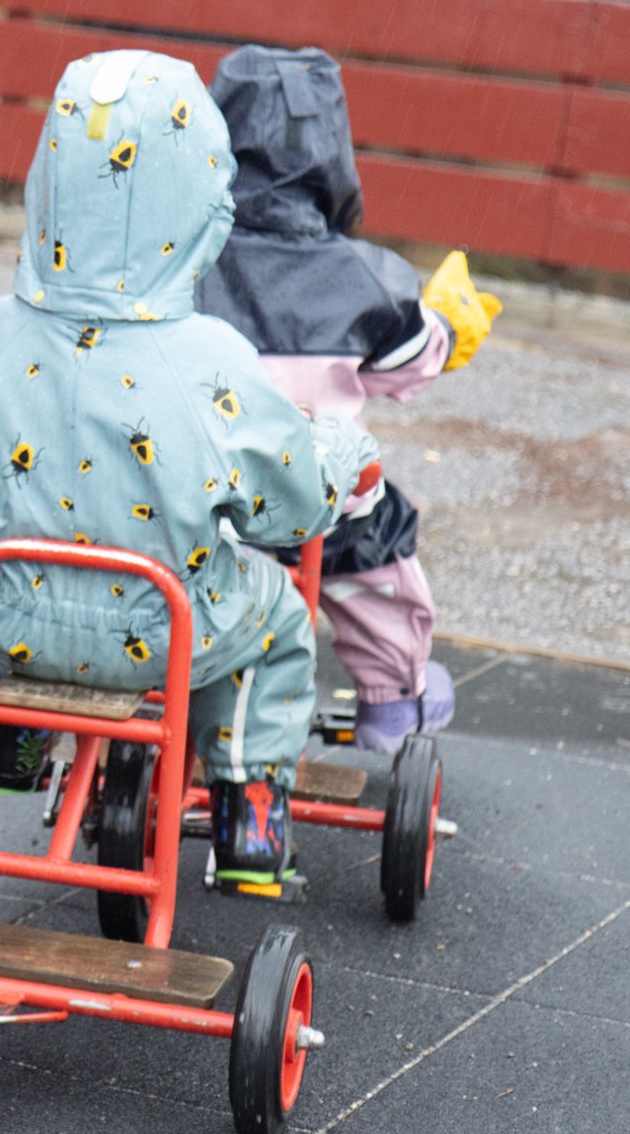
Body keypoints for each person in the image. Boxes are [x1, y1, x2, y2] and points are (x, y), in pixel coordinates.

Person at [0, 49, 379, 898]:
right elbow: (289, 510)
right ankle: (250, 819)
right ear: (200, 205)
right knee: (275, 621)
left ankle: (14, 739)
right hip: (160, 634)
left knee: (4, 569)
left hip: (5, 615)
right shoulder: (211, 363)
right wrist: (338, 456)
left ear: (48, 184)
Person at [194, 45, 500, 753]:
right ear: (333, 157)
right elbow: (411, 361)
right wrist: (449, 325)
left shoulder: (190, 258)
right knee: (379, 538)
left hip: (201, 496)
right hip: (315, 506)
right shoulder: (364, 279)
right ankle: (393, 696)